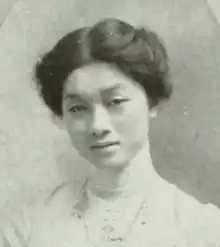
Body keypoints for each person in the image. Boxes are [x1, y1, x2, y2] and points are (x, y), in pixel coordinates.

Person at [1, 17, 220, 247]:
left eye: (115, 102)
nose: (98, 126)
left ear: (152, 102)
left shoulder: (202, 228)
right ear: (60, 116)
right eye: (78, 108)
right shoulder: (27, 228)